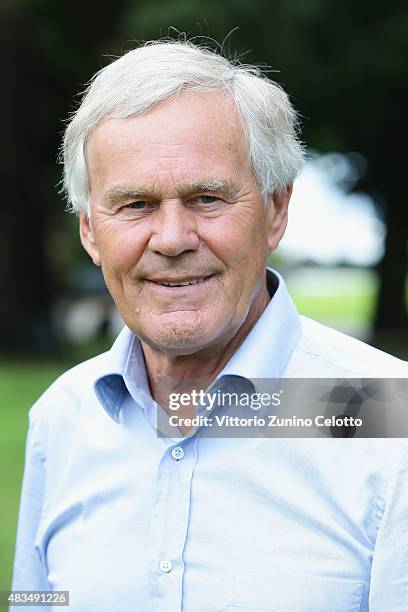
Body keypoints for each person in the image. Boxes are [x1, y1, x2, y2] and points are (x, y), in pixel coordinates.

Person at [12, 40, 408, 611]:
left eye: (206, 198)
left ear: (276, 210)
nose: (172, 239)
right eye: (135, 205)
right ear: (90, 232)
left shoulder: (387, 416)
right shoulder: (62, 418)